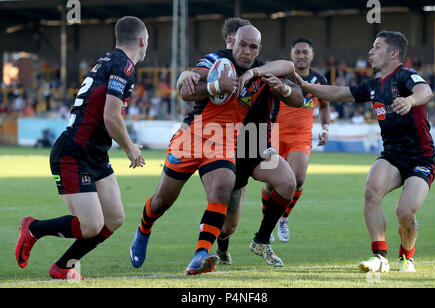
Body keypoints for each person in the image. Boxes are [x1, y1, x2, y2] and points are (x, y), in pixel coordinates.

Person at [130, 25, 297, 275]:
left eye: (253, 47)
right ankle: (144, 229)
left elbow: (289, 70)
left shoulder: (260, 70)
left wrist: (255, 75)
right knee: (161, 201)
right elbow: (186, 91)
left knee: (223, 187)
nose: (246, 51)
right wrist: (215, 85)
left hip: (229, 141)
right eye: (241, 44)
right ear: (232, 43)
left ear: (258, 49)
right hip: (193, 135)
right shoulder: (216, 60)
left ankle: (201, 254)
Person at [15, 16, 148, 280]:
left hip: (94, 152)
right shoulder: (124, 66)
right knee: (92, 225)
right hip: (74, 153)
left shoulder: (109, 60)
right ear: (143, 40)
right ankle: (34, 229)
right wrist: (131, 148)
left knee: (114, 218)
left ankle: (63, 266)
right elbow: (112, 116)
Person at [294, 31, 435, 273]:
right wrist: (306, 86)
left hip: (420, 158)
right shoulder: (373, 85)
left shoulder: (406, 76)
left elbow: (426, 91)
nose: (371, 52)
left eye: (377, 47)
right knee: (371, 191)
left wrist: (410, 101)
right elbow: (339, 93)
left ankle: (406, 256)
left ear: (394, 54)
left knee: (405, 213)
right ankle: (380, 257)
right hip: (392, 155)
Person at [265, 37, 330, 242]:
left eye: (305, 52)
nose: (301, 55)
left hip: (301, 136)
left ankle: (283, 218)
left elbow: (325, 105)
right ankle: (268, 221)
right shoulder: (281, 76)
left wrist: (325, 128)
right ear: (291, 55)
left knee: (298, 179)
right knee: (270, 184)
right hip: (275, 133)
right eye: (298, 52)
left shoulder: (319, 80)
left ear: (312, 55)